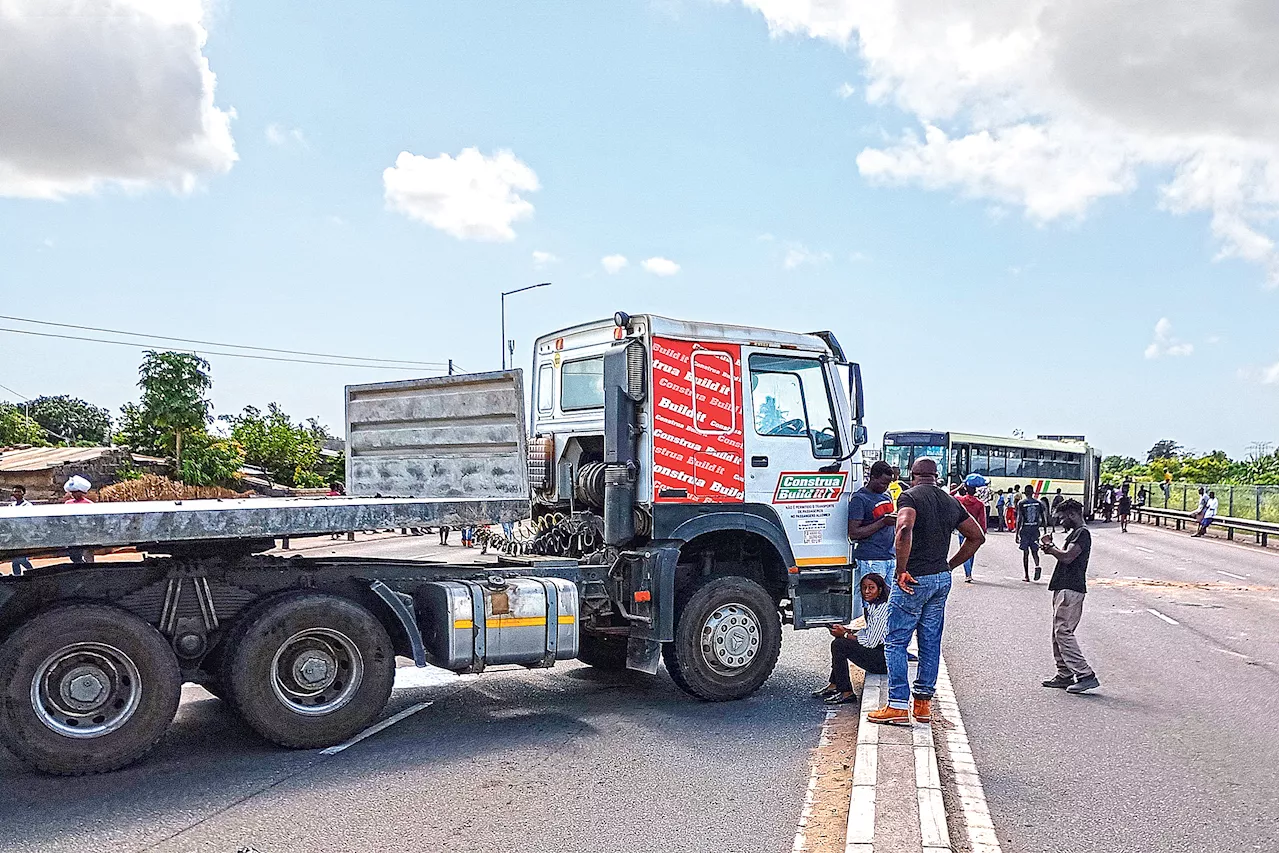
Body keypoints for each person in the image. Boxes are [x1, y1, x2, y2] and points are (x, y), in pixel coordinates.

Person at [867, 458, 985, 726]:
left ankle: (897, 704)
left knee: (896, 641)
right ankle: (922, 706)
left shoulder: (909, 497)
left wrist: (901, 569)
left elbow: (905, 528)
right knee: (930, 641)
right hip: (940, 580)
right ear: (936, 476)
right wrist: (950, 565)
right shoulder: (950, 501)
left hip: (914, 580)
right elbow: (976, 536)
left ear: (912, 475)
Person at [1039, 499, 1100, 693]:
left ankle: (1085, 674)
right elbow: (1065, 554)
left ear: (1073, 515)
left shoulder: (1082, 533)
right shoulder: (1076, 533)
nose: (1060, 522)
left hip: (1071, 588)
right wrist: (1052, 549)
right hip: (1063, 586)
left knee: (1063, 631)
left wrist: (1050, 548)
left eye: (1063, 518)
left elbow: (1067, 557)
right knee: (1058, 633)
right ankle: (1064, 674)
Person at [812, 573, 891, 705]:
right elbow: (869, 632)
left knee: (840, 645)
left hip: (882, 660)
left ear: (880, 589)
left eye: (871, 588)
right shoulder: (873, 605)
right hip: (879, 653)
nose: (867, 592)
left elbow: (871, 642)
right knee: (839, 643)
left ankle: (846, 692)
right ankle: (835, 684)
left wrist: (844, 635)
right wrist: (848, 631)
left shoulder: (882, 609)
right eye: (864, 588)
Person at [848, 461, 898, 610]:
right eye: (883, 483)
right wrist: (883, 522)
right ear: (873, 477)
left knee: (888, 604)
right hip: (871, 558)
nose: (886, 487)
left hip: (889, 556)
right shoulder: (860, 499)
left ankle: (881, 632)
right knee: (872, 603)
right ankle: (871, 631)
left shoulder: (887, 495)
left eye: (888, 483)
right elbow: (854, 532)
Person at [955, 484, 987, 583]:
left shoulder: (960, 500)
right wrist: (983, 532)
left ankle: (967, 573)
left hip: (962, 529)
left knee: (963, 550)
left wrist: (958, 487)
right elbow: (982, 519)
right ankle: (969, 573)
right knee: (971, 552)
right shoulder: (979, 504)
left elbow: (949, 495)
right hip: (974, 530)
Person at [62, 476, 95, 564]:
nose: (73, 494)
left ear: (82, 492)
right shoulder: (67, 503)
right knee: (74, 555)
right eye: (72, 492)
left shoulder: (89, 504)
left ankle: (90, 569)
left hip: (86, 533)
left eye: (76, 492)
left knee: (88, 553)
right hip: (73, 534)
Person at [1015, 484, 1044, 582]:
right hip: (1035, 530)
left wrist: (1017, 533)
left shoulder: (1021, 503)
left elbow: (1019, 519)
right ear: (1033, 492)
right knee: (1035, 551)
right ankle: (1037, 565)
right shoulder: (1038, 503)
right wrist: (1044, 531)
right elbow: (1043, 518)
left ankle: (1026, 575)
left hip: (1025, 530)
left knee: (1025, 553)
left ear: (1024, 492)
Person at [7, 485, 34, 575]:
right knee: (15, 558)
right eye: (15, 491)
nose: (17, 493)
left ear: (23, 493)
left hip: (24, 535)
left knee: (20, 558)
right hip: (13, 535)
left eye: (19, 491)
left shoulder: (28, 505)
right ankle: (18, 576)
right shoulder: (11, 506)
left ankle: (30, 571)